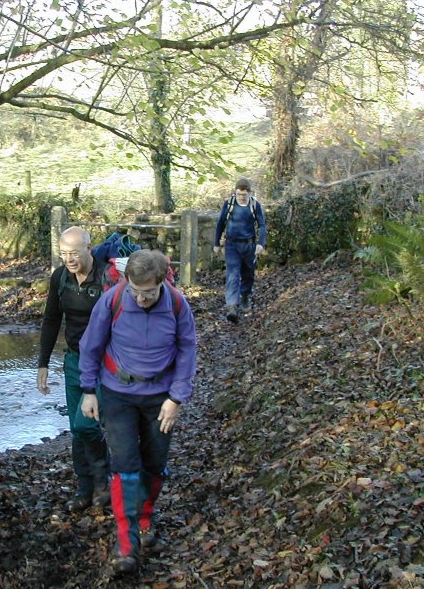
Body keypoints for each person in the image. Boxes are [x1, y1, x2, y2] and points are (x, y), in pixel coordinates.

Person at [79, 249, 197, 574]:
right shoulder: (113, 301)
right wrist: (89, 391)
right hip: (118, 393)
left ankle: (146, 514)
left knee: (155, 462)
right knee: (125, 463)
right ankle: (126, 542)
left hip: (160, 396)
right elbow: (91, 345)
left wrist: (177, 397)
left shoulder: (176, 304)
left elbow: (188, 348)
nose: (141, 299)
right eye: (135, 291)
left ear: (162, 282)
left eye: (148, 292)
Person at [38, 226, 110, 512]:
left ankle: (103, 479)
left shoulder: (107, 277)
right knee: (76, 429)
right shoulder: (60, 277)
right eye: (63, 254)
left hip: (104, 362)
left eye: (74, 254)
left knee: (86, 424)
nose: (69, 260)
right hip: (73, 360)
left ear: (89, 248)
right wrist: (43, 362)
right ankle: (85, 486)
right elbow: (52, 319)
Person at [213, 177, 267, 324]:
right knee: (233, 275)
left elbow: (262, 225)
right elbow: (220, 223)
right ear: (235, 193)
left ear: (249, 193)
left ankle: (245, 296)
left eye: (244, 195)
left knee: (248, 273)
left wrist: (261, 243)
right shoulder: (229, 204)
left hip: (249, 245)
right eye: (239, 194)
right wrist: (216, 242)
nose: (241, 197)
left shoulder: (254, 205)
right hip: (232, 245)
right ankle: (232, 306)